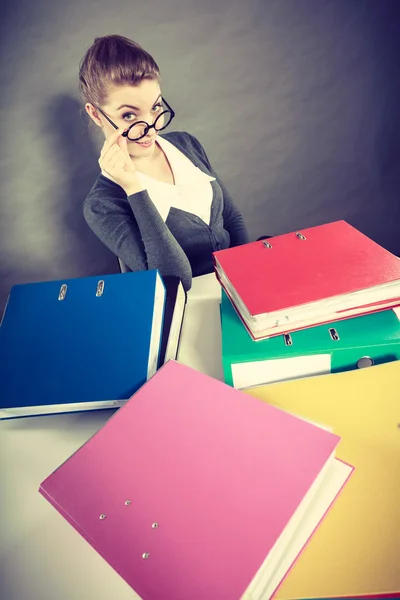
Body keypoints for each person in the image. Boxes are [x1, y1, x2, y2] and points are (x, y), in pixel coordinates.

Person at [80, 34, 249, 291]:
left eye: (155, 107)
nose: (150, 128)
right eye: (129, 115)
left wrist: (248, 278)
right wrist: (134, 188)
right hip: (186, 308)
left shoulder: (186, 144)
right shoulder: (102, 205)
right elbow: (173, 280)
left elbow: (232, 218)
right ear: (96, 114)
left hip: (238, 287)